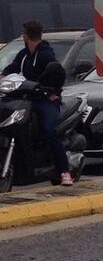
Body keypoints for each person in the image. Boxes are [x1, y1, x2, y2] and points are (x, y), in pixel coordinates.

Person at [0, 21, 73, 185]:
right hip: (27, 98)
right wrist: (2, 76)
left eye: (24, 33)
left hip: (45, 100)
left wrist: (52, 92)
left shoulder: (46, 54)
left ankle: (64, 171)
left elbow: (56, 73)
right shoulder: (24, 54)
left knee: (49, 129)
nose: (22, 36)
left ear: (26, 36)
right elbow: (12, 67)